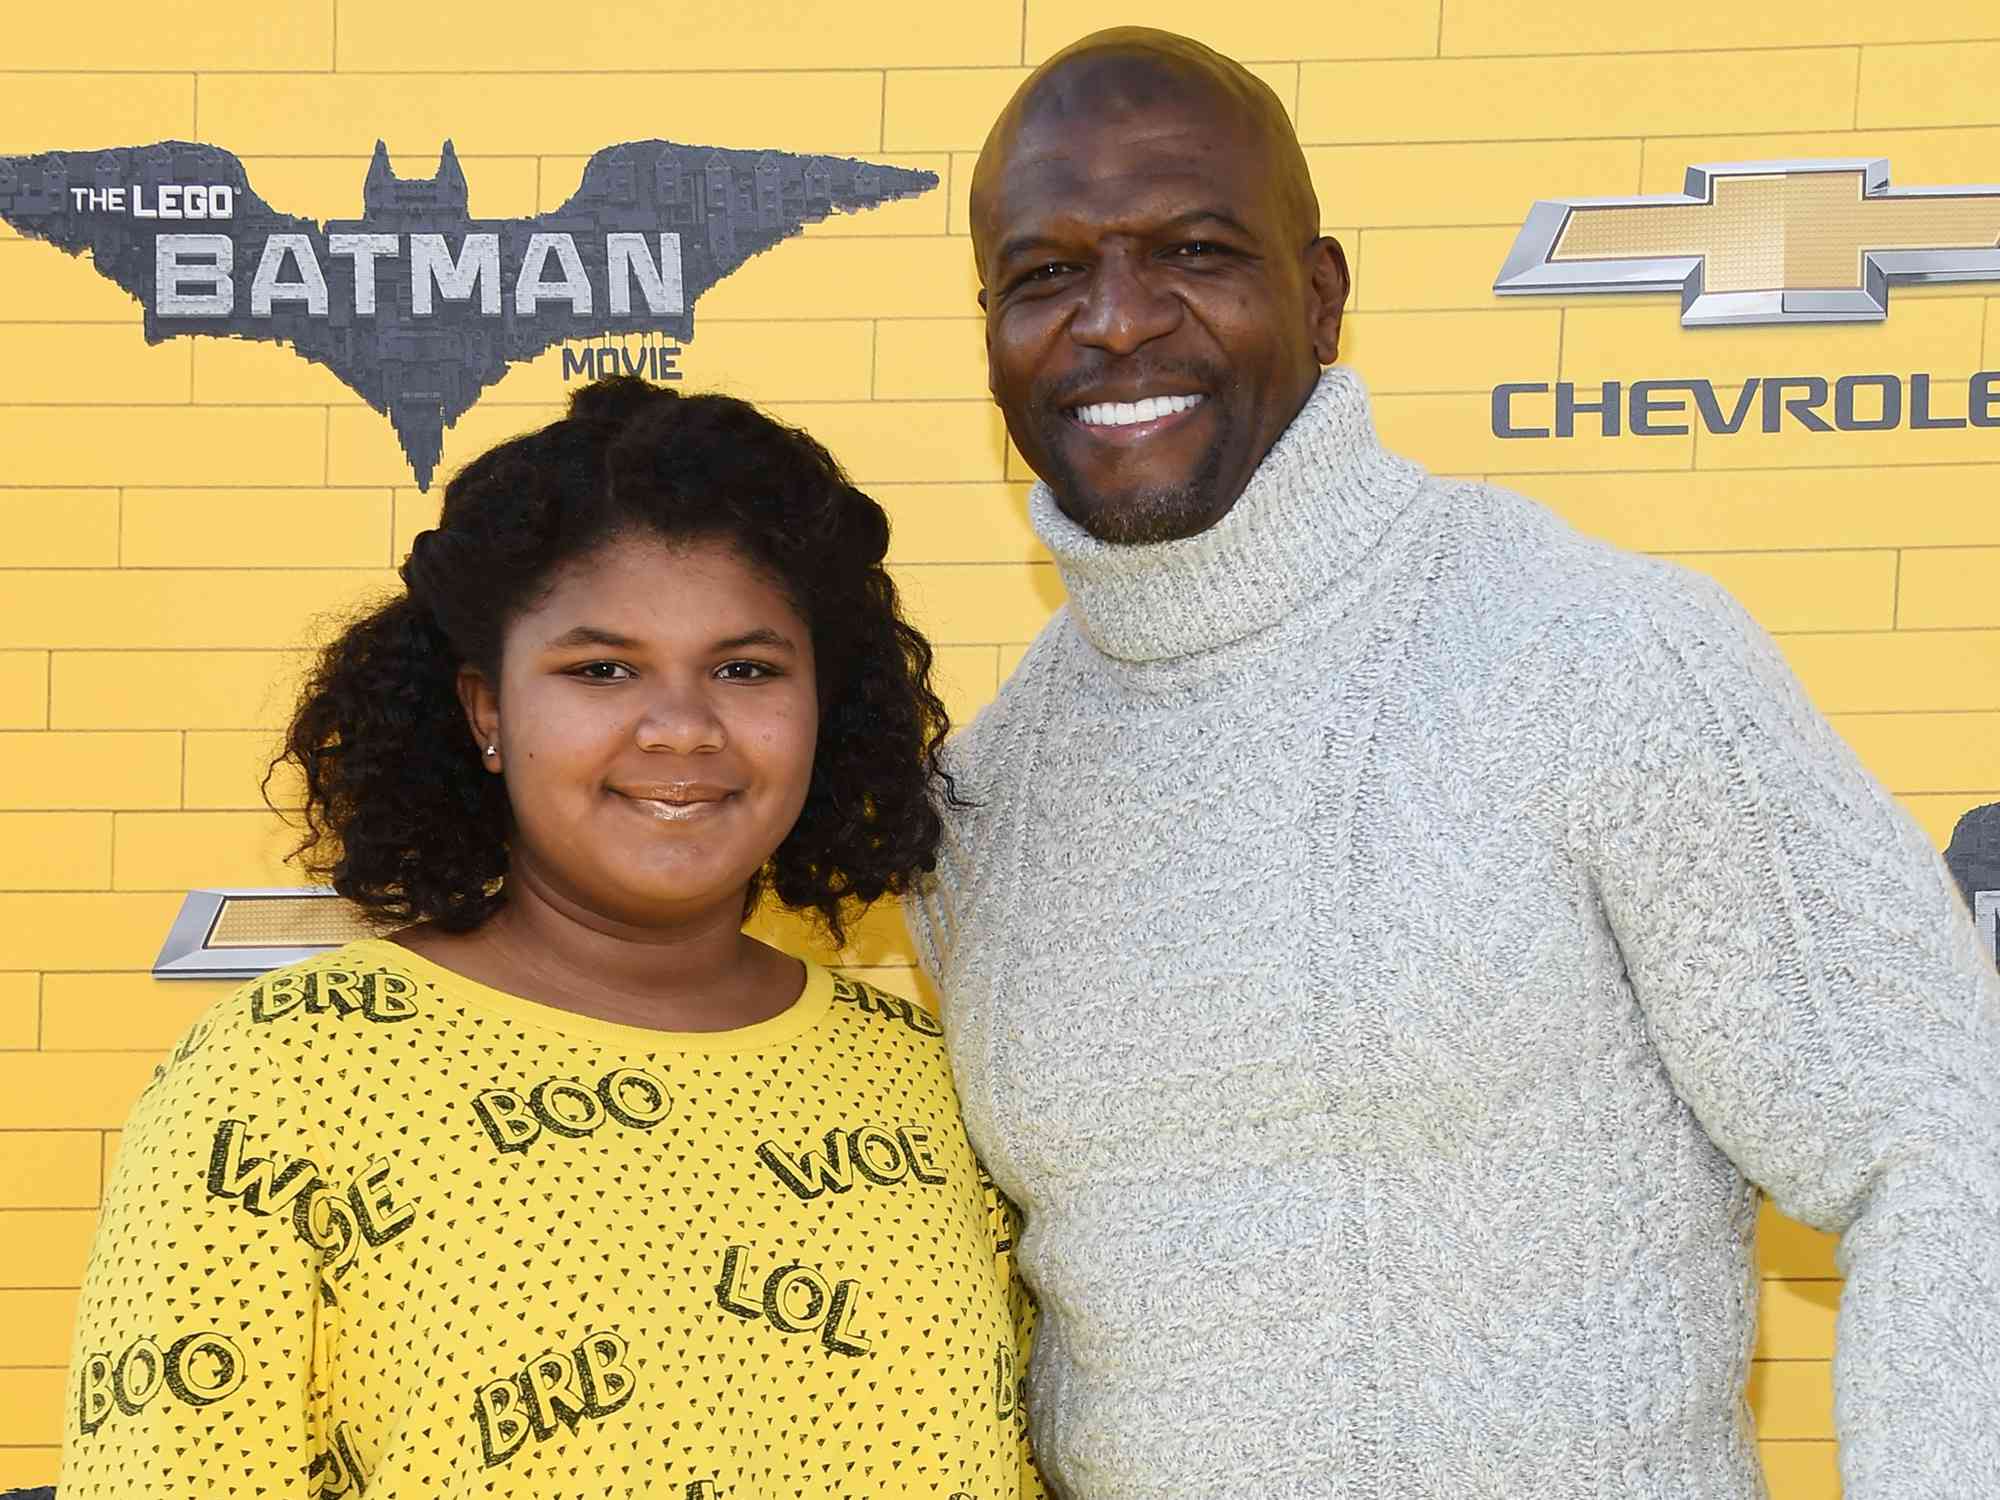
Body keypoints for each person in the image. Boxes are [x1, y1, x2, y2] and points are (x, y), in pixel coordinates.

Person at [907, 26, 2000, 1500]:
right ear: (987, 330)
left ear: (1321, 295)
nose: (1115, 321)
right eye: (1046, 273)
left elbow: (1936, 1142)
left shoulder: (1598, 654)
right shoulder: (986, 805)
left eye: (1194, 249)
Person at [58, 378, 1042, 1499]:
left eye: (745, 669)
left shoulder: (924, 1079)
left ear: (826, 706)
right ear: (486, 711)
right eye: (600, 670)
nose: (679, 725)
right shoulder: (281, 1079)